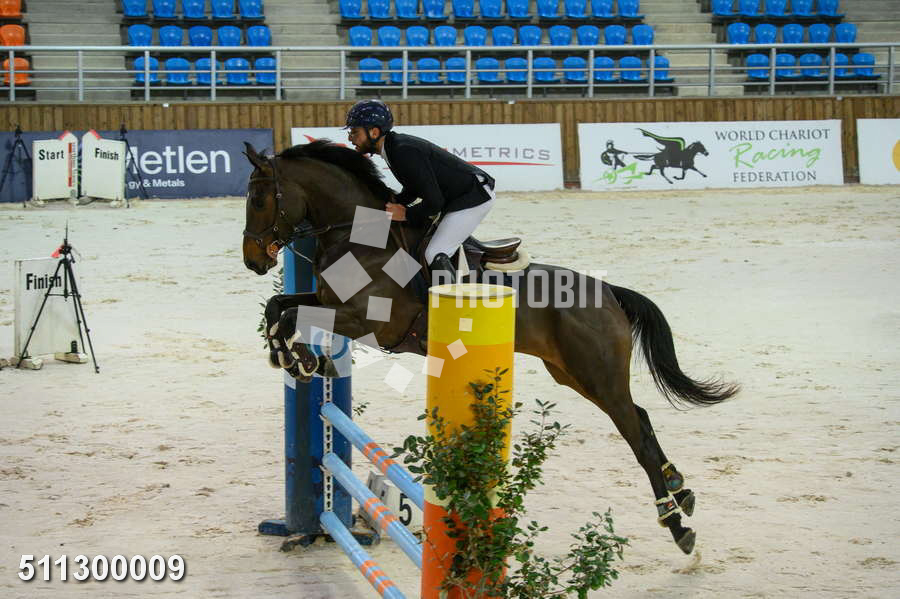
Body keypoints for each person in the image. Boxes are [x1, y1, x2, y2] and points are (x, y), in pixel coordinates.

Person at [344, 99, 495, 286]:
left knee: (435, 252)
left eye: (354, 132)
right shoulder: (393, 148)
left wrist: (405, 214)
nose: (350, 138)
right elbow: (414, 189)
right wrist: (390, 204)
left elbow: (434, 202)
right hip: (457, 196)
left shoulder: (401, 150)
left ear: (374, 132)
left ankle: (453, 302)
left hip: (474, 197)